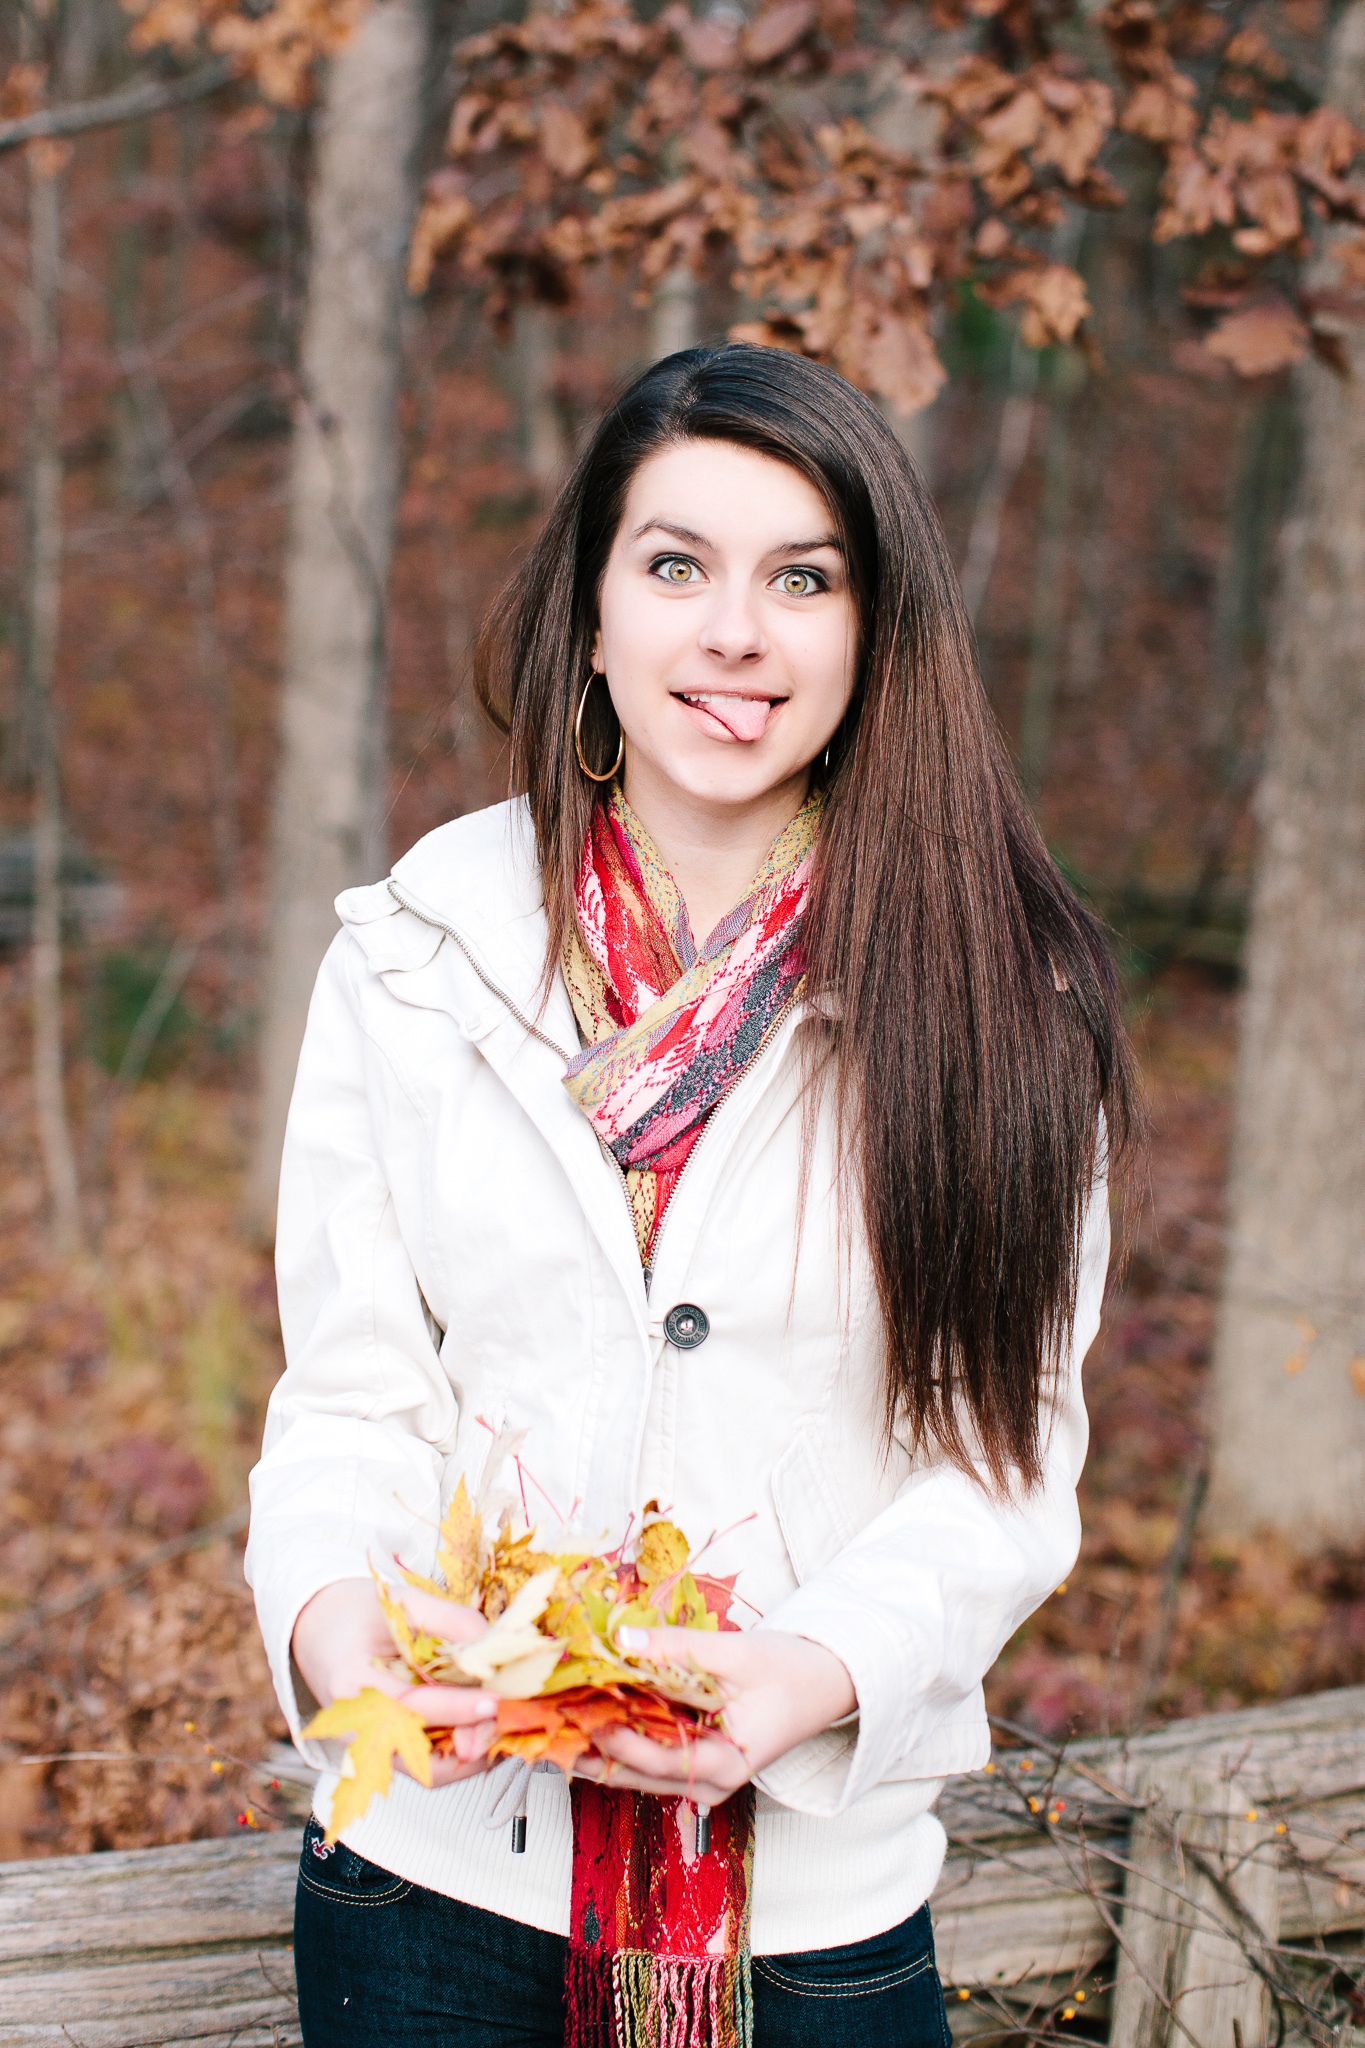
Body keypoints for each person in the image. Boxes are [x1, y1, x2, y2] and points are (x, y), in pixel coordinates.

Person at [245, 342, 1133, 2048]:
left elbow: (999, 1470)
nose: (734, 632)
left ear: (872, 636)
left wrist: (801, 1685)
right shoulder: (418, 956)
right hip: (430, 1880)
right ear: (591, 617)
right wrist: (345, 1648)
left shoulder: (1010, 1003)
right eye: (675, 566)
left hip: (812, 1904)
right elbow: (352, 1391)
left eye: (801, 578)